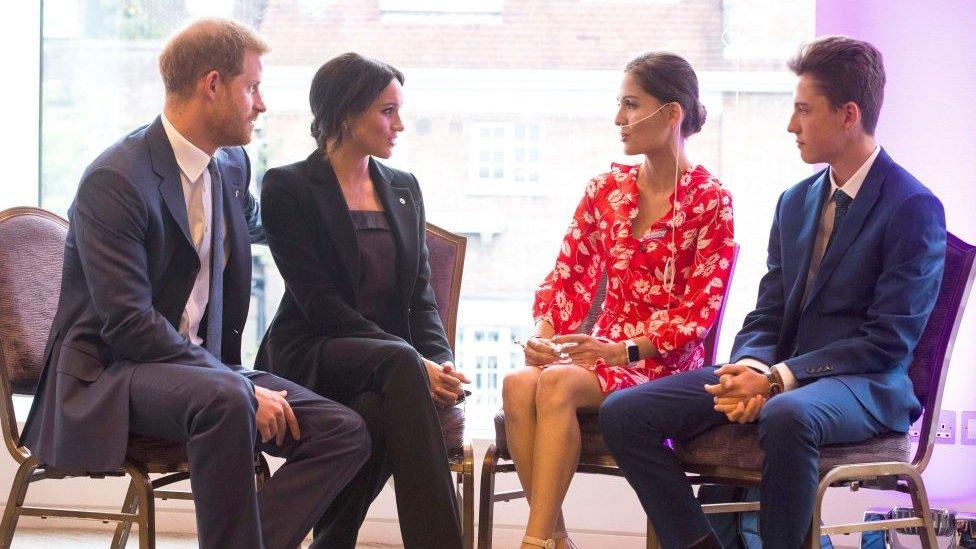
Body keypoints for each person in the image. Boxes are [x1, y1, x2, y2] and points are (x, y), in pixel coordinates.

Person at [19, 19, 370, 549]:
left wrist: (356, 207)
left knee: (344, 432)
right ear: (212, 85)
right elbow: (130, 326)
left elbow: (272, 226)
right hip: (111, 375)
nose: (261, 104)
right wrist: (245, 387)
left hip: (202, 371)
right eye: (251, 87)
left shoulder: (230, 165)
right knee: (228, 398)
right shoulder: (116, 181)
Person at [600, 36, 947, 549]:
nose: (791, 125)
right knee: (624, 413)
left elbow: (887, 342)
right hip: (781, 375)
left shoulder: (913, 206)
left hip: (866, 385)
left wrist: (780, 380)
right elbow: (765, 314)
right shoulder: (794, 202)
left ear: (848, 114)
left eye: (804, 111)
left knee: (788, 413)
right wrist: (753, 368)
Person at [503, 52, 735, 549]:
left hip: (663, 366)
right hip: (600, 357)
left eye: (631, 105)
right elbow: (567, 277)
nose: (618, 119)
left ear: (672, 113)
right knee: (519, 383)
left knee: (559, 384)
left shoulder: (710, 200)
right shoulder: (604, 191)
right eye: (619, 105)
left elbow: (699, 314)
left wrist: (621, 350)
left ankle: (535, 543)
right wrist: (542, 337)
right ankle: (552, 538)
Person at [254, 52, 468, 549]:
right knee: (397, 365)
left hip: (390, 367)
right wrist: (414, 361)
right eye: (387, 111)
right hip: (315, 349)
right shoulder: (288, 187)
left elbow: (420, 297)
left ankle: (332, 543)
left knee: (374, 412)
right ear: (347, 114)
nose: (400, 124)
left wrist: (439, 360)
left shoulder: (403, 188)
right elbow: (319, 303)